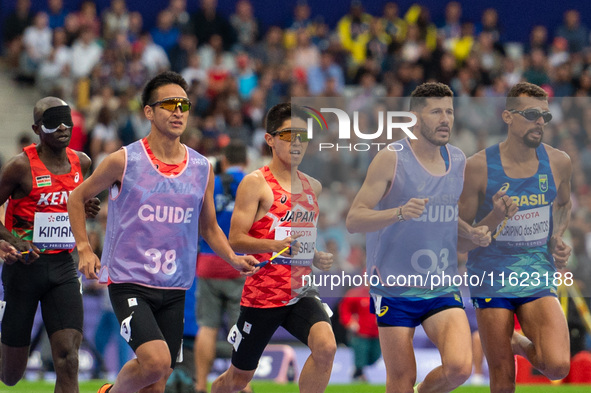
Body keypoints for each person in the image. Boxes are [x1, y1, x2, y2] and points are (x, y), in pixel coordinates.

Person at [67, 71, 257, 393]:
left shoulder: (202, 168)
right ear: (149, 112)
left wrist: (233, 258)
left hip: (174, 286)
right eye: (169, 104)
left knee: (158, 381)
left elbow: (208, 227)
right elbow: (76, 197)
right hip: (130, 281)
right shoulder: (123, 160)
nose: (178, 111)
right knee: (155, 361)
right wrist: (84, 248)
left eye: (184, 104)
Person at [346, 82, 491, 393]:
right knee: (400, 380)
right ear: (414, 118)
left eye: (449, 112)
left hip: (441, 285)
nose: (445, 119)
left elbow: (447, 218)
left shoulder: (458, 160)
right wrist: (399, 213)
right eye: (436, 111)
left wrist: (472, 232)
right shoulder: (392, 158)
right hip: (394, 289)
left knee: (460, 368)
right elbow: (354, 219)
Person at [211, 103, 336, 393]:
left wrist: (314, 254)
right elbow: (236, 239)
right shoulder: (255, 183)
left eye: (303, 136)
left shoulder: (312, 187)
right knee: (238, 379)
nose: (297, 143)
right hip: (262, 296)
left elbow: (299, 240)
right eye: (289, 134)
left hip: (300, 291)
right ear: (270, 139)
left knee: (326, 346)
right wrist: (275, 245)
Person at [458, 81, 572, 392]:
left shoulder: (559, 162)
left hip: (537, 271)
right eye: (532, 114)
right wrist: (493, 219)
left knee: (558, 365)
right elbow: (458, 237)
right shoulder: (479, 167)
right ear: (507, 117)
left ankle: (517, 341)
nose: (540, 123)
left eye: (544, 117)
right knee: (503, 376)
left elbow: (563, 205)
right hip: (490, 274)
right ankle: (506, 342)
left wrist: (556, 237)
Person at [0, 97, 99, 390]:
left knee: (69, 359)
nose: (62, 127)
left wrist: (85, 208)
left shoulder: (82, 162)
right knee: (10, 375)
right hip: (23, 270)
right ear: (36, 128)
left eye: (66, 120)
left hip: (63, 269)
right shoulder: (19, 167)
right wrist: (12, 239)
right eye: (52, 122)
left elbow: (76, 205)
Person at [194, 140, 251, 393]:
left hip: (208, 263)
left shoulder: (211, 182)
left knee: (207, 327)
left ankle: (200, 385)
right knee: (240, 329)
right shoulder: (252, 183)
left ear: (224, 161)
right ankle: (242, 386)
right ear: (246, 161)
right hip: (241, 264)